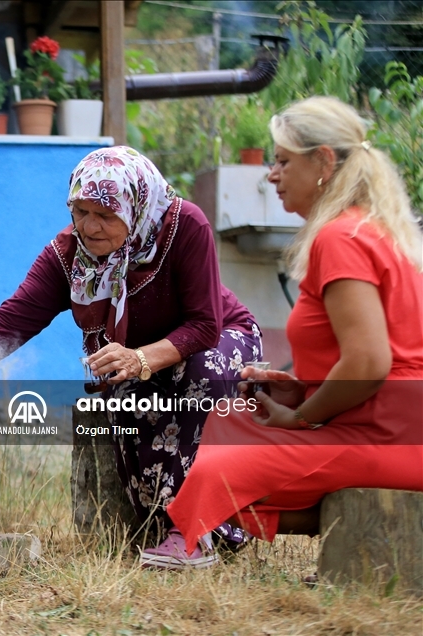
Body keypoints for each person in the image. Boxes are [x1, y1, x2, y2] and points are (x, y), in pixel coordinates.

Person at [0, 146, 263, 566]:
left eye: (105, 215)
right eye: (79, 211)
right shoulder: (68, 255)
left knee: (198, 373)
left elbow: (205, 325)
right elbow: (7, 323)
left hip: (221, 342)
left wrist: (140, 358)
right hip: (137, 359)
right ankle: (167, 524)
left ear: (135, 208)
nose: (88, 227)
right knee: (127, 393)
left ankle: (194, 529)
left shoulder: (186, 225)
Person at [165, 96, 423, 564]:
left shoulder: (340, 236)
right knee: (231, 417)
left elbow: (369, 362)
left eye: (282, 161)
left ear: (323, 161)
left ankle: (355, 530)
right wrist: (304, 391)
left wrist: (302, 418)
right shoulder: (373, 228)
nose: (271, 174)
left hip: (387, 433)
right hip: (393, 422)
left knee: (216, 474)